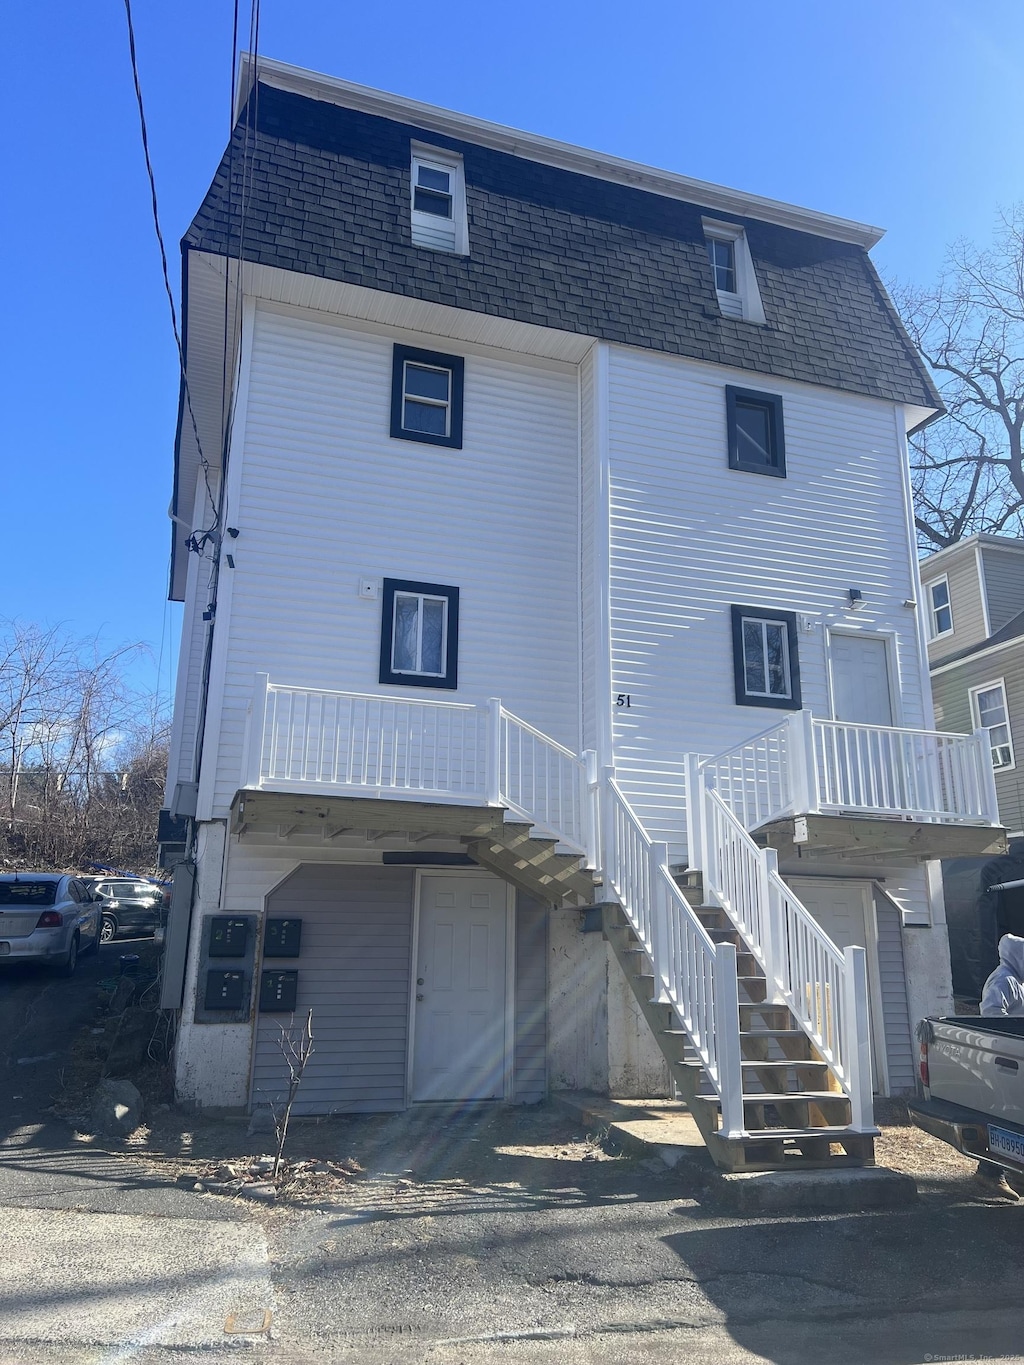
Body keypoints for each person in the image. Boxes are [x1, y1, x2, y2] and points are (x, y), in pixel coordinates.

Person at [974, 934, 1024, 1199]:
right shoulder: (1003, 979)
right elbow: (992, 1014)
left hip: (1015, 1057)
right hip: (1005, 1059)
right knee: (1005, 1116)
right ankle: (990, 1173)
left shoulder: (1018, 981)